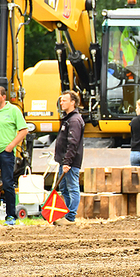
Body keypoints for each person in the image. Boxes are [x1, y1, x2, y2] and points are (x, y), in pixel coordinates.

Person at [0, 86, 28, 225]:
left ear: (4, 97)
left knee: (7, 184)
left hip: (5, 153)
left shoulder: (13, 110)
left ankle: (11, 216)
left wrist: (11, 146)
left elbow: (23, 130)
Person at [53, 90, 85, 226]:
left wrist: (67, 162)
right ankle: (66, 214)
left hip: (70, 162)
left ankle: (71, 217)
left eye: (64, 100)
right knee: (64, 189)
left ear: (73, 102)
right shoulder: (68, 119)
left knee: (72, 188)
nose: (61, 103)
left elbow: (73, 143)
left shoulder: (75, 120)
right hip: (64, 161)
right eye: (61, 100)